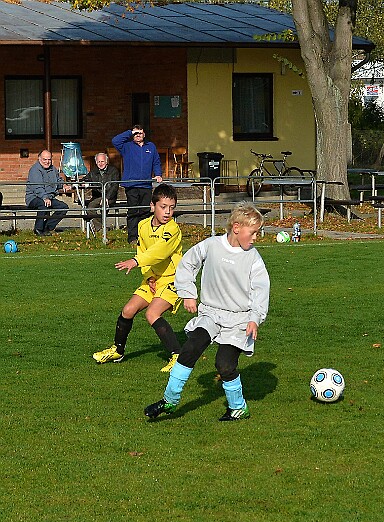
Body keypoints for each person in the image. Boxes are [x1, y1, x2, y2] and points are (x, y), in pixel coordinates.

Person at [144, 202, 270, 422]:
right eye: (254, 232)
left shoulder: (253, 258)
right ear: (237, 227)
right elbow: (187, 263)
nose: (256, 238)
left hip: (239, 319)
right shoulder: (211, 245)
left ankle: (238, 408)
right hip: (211, 313)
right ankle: (170, 401)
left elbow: (261, 289)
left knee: (224, 365)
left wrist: (255, 319)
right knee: (191, 347)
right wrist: (188, 293)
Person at [92, 184, 183, 373]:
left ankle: (178, 356)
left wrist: (135, 261)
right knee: (128, 310)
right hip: (153, 278)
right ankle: (118, 350)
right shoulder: (143, 226)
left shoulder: (172, 229)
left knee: (152, 314)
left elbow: (159, 253)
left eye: (171, 207)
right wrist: (149, 276)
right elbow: (143, 250)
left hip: (172, 279)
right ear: (152, 206)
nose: (167, 212)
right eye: (163, 207)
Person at [112, 125, 163, 245]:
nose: (138, 135)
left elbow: (156, 161)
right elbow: (115, 140)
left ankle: (144, 237)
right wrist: (130, 132)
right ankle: (132, 238)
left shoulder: (151, 146)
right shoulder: (126, 146)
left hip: (146, 185)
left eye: (140, 133)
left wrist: (158, 174)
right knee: (133, 212)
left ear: (144, 134)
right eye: (136, 133)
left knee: (145, 212)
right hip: (132, 185)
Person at [25, 150, 70, 236]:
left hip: (49, 197)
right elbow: (37, 187)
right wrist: (45, 197)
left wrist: (63, 185)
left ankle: (47, 227)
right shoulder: (35, 170)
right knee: (43, 204)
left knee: (63, 207)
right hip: (34, 197)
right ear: (39, 159)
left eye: (49, 159)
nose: (47, 162)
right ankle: (38, 229)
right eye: (44, 159)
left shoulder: (53, 169)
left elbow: (58, 180)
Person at [83, 152, 121, 235]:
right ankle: (100, 227)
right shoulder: (93, 171)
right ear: (96, 162)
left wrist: (107, 198)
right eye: (98, 162)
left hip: (110, 197)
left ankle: (100, 227)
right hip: (97, 196)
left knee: (101, 206)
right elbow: (86, 179)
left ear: (106, 161)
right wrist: (83, 182)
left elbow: (114, 187)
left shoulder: (113, 171)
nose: (100, 164)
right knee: (90, 208)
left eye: (102, 161)